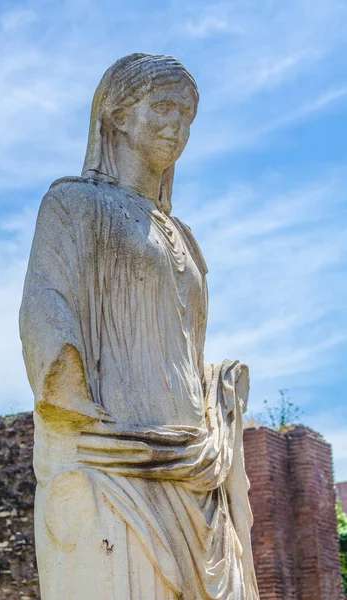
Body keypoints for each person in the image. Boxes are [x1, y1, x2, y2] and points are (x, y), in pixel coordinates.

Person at [20, 53, 259, 600]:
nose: (179, 126)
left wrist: (217, 388)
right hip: (112, 455)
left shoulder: (186, 238)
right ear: (118, 115)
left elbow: (184, 342)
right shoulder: (73, 205)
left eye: (188, 116)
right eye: (165, 107)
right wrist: (65, 394)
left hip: (195, 461)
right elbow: (46, 302)